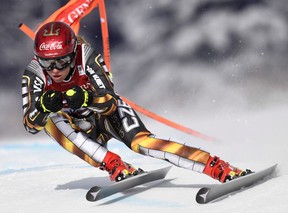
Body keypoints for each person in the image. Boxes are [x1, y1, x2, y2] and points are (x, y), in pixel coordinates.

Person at [22, 21, 249, 183]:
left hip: (106, 115)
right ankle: (114, 164)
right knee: (51, 120)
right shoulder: (34, 74)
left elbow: (110, 101)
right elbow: (30, 125)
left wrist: (86, 97)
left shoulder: (86, 56)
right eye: (47, 62)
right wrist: (42, 109)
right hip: (81, 131)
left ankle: (217, 167)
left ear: (72, 55)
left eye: (61, 61)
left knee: (142, 145)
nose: (54, 70)